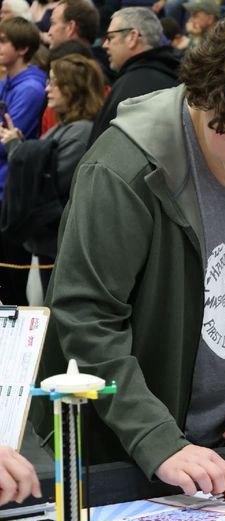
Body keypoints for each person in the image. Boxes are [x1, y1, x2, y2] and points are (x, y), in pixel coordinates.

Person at [30, 5, 225, 500]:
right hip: (123, 441)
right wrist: (157, 438)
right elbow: (87, 315)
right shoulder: (126, 167)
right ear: (202, 94)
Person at [0, 54, 105, 293]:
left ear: (73, 88)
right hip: (50, 242)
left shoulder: (80, 134)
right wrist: (19, 143)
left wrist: (15, 147)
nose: (48, 89)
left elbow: (47, 182)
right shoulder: (67, 126)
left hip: (60, 243)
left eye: (54, 83)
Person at [0, 16, 47, 306]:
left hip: (11, 193)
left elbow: (7, 142)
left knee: (13, 283)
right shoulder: (8, 80)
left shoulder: (30, 88)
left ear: (23, 48)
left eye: (3, 41)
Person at [88, 7, 180, 146]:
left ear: (132, 37)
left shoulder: (130, 86)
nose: (105, 45)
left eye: (110, 37)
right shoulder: (175, 78)